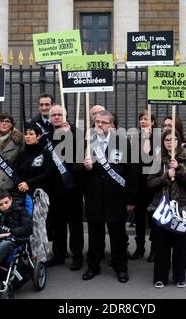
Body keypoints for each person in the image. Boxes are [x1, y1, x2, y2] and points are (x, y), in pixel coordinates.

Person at [80, 110, 138, 283]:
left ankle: (120, 267)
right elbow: (76, 170)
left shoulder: (123, 142)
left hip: (117, 197)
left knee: (118, 236)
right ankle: (93, 266)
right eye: (97, 121)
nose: (99, 125)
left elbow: (132, 172)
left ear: (112, 125)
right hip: (94, 196)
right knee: (95, 235)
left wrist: (131, 199)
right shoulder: (87, 143)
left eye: (104, 122)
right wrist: (86, 168)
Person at [148, 130, 186, 288]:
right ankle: (160, 276)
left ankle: (179, 276)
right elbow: (150, 183)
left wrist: (180, 170)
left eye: (173, 139)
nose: (170, 142)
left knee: (180, 245)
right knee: (161, 245)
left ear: (178, 141)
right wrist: (164, 176)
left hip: (181, 208)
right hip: (161, 208)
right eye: (167, 139)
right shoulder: (157, 160)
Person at [45, 105, 85, 271]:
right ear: (49, 118)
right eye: (53, 115)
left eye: (59, 114)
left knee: (75, 225)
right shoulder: (46, 137)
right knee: (58, 224)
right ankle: (59, 254)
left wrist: (70, 136)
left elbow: (83, 155)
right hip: (54, 189)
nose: (56, 117)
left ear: (65, 116)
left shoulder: (76, 134)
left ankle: (77, 256)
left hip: (72, 187)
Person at [129, 110, 159, 262]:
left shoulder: (158, 138)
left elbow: (154, 159)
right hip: (139, 184)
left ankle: (154, 250)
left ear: (153, 122)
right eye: (141, 119)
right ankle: (139, 247)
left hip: (153, 185)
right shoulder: (134, 138)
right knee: (139, 219)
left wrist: (148, 140)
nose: (143, 121)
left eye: (146, 119)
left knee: (153, 219)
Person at [14, 121, 53, 197]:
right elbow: (14, 172)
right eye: (26, 134)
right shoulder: (21, 154)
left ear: (38, 136)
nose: (28, 136)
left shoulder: (45, 153)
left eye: (31, 134)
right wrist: (21, 184)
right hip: (21, 192)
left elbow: (48, 173)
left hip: (39, 193)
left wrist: (28, 183)